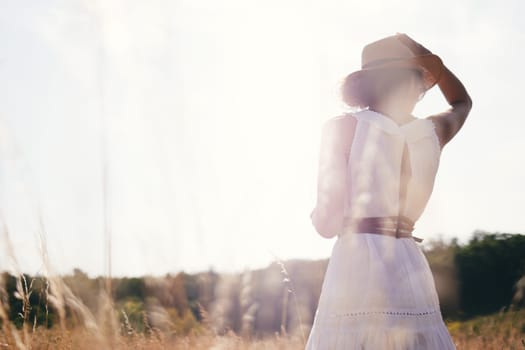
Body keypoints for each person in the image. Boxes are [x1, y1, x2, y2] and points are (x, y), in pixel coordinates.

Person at [305, 33, 472, 349]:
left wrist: (317, 216)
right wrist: (429, 56)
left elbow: (327, 224)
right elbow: (462, 102)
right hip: (409, 263)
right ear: (414, 81)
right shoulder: (434, 131)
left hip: (357, 265)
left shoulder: (342, 127)